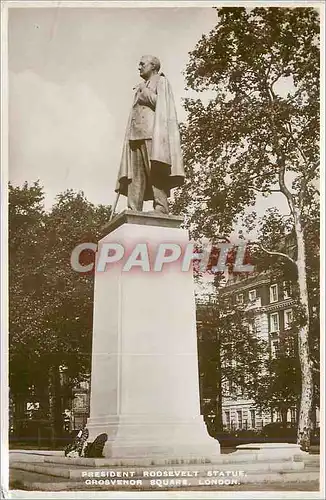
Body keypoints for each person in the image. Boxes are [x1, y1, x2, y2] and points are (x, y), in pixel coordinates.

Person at [115, 55, 185, 215]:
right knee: (134, 175)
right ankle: (134, 208)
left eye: (142, 64)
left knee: (155, 169)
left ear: (153, 66)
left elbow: (161, 103)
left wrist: (144, 92)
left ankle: (161, 206)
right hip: (136, 134)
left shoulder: (161, 81)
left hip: (152, 132)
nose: (139, 67)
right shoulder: (141, 85)